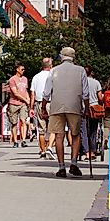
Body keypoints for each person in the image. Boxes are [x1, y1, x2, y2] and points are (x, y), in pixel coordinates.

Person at [42, 47, 90, 178]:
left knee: (59, 136)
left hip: (57, 105)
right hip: (74, 106)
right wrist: (87, 108)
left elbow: (46, 92)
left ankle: (61, 166)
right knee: (75, 135)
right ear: (73, 57)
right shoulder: (80, 70)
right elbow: (85, 92)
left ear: (61, 56)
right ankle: (73, 163)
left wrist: (43, 106)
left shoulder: (54, 70)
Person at [29, 57, 56, 159]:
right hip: (51, 103)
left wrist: (31, 107)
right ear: (50, 66)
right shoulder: (53, 75)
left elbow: (32, 93)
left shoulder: (36, 77)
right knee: (53, 127)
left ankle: (42, 150)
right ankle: (49, 147)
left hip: (39, 103)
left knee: (41, 129)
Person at [80, 66, 103, 161]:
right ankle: (93, 151)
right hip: (94, 109)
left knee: (84, 131)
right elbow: (100, 97)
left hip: (83, 108)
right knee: (93, 131)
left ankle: (86, 152)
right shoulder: (96, 82)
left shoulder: (80, 83)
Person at [7, 62, 30, 147]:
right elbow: (15, 93)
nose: (23, 71)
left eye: (24, 69)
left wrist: (28, 99)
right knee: (14, 123)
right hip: (14, 103)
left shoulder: (25, 79)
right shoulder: (12, 79)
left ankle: (23, 140)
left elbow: (25, 90)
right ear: (17, 69)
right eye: (22, 69)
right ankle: (15, 141)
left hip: (23, 104)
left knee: (23, 121)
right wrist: (25, 99)